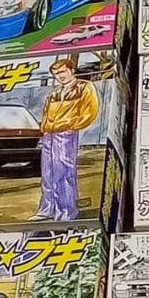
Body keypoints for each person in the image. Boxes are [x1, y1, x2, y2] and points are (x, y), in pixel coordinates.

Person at [32, 58, 99, 222]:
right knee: (47, 173)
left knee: (64, 172)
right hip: (49, 135)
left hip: (66, 134)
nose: (60, 76)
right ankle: (47, 209)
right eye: (56, 74)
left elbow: (91, 110)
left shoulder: (84, 87)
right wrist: (45, 128)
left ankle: (67, 211)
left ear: (72, 70)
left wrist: (73, 125)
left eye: (63, 71)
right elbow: (46, 113)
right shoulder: (54, 93)